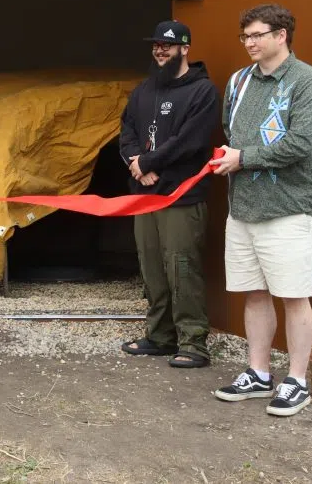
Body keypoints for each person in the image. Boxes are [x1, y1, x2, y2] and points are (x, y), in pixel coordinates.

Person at [211, 3, 312, 417]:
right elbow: (232, 132)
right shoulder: (239, 81)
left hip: (291, 209)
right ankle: (259, 373)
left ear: (282, 35)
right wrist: (233, 155)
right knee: (255, 293)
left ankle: (297, 379)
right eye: (245, 36)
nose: (249, 43)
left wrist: (243, 158)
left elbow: (301, 143)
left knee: (294, 296)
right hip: (243, 207)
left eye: (257, 34)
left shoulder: (308, 81)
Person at [118, 20, 220, 368]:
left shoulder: (202, 92)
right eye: (156, 45)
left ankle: (193, 343)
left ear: (185, 48)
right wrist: (136, 163)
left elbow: (190, 142)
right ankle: (159, 337)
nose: (160, 50)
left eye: (168, 45)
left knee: (182, 267)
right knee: (151, 268)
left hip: (181, 197)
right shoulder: (144, 90)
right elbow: (126, 130)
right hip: (143, 196)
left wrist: (147, 162)